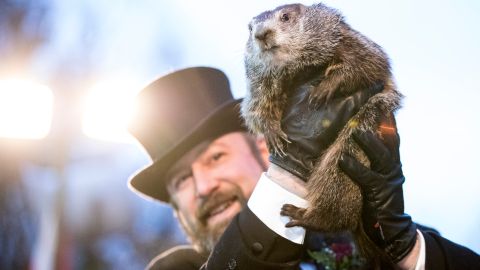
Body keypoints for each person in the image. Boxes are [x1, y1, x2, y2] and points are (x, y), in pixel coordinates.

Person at [127, 66, 480, 269]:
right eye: (182, 180)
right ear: (175, 209)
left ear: (264, 150)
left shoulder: (365, 238)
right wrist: (288, 178)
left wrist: (405, 250)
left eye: (216, 157)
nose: (203, 186)